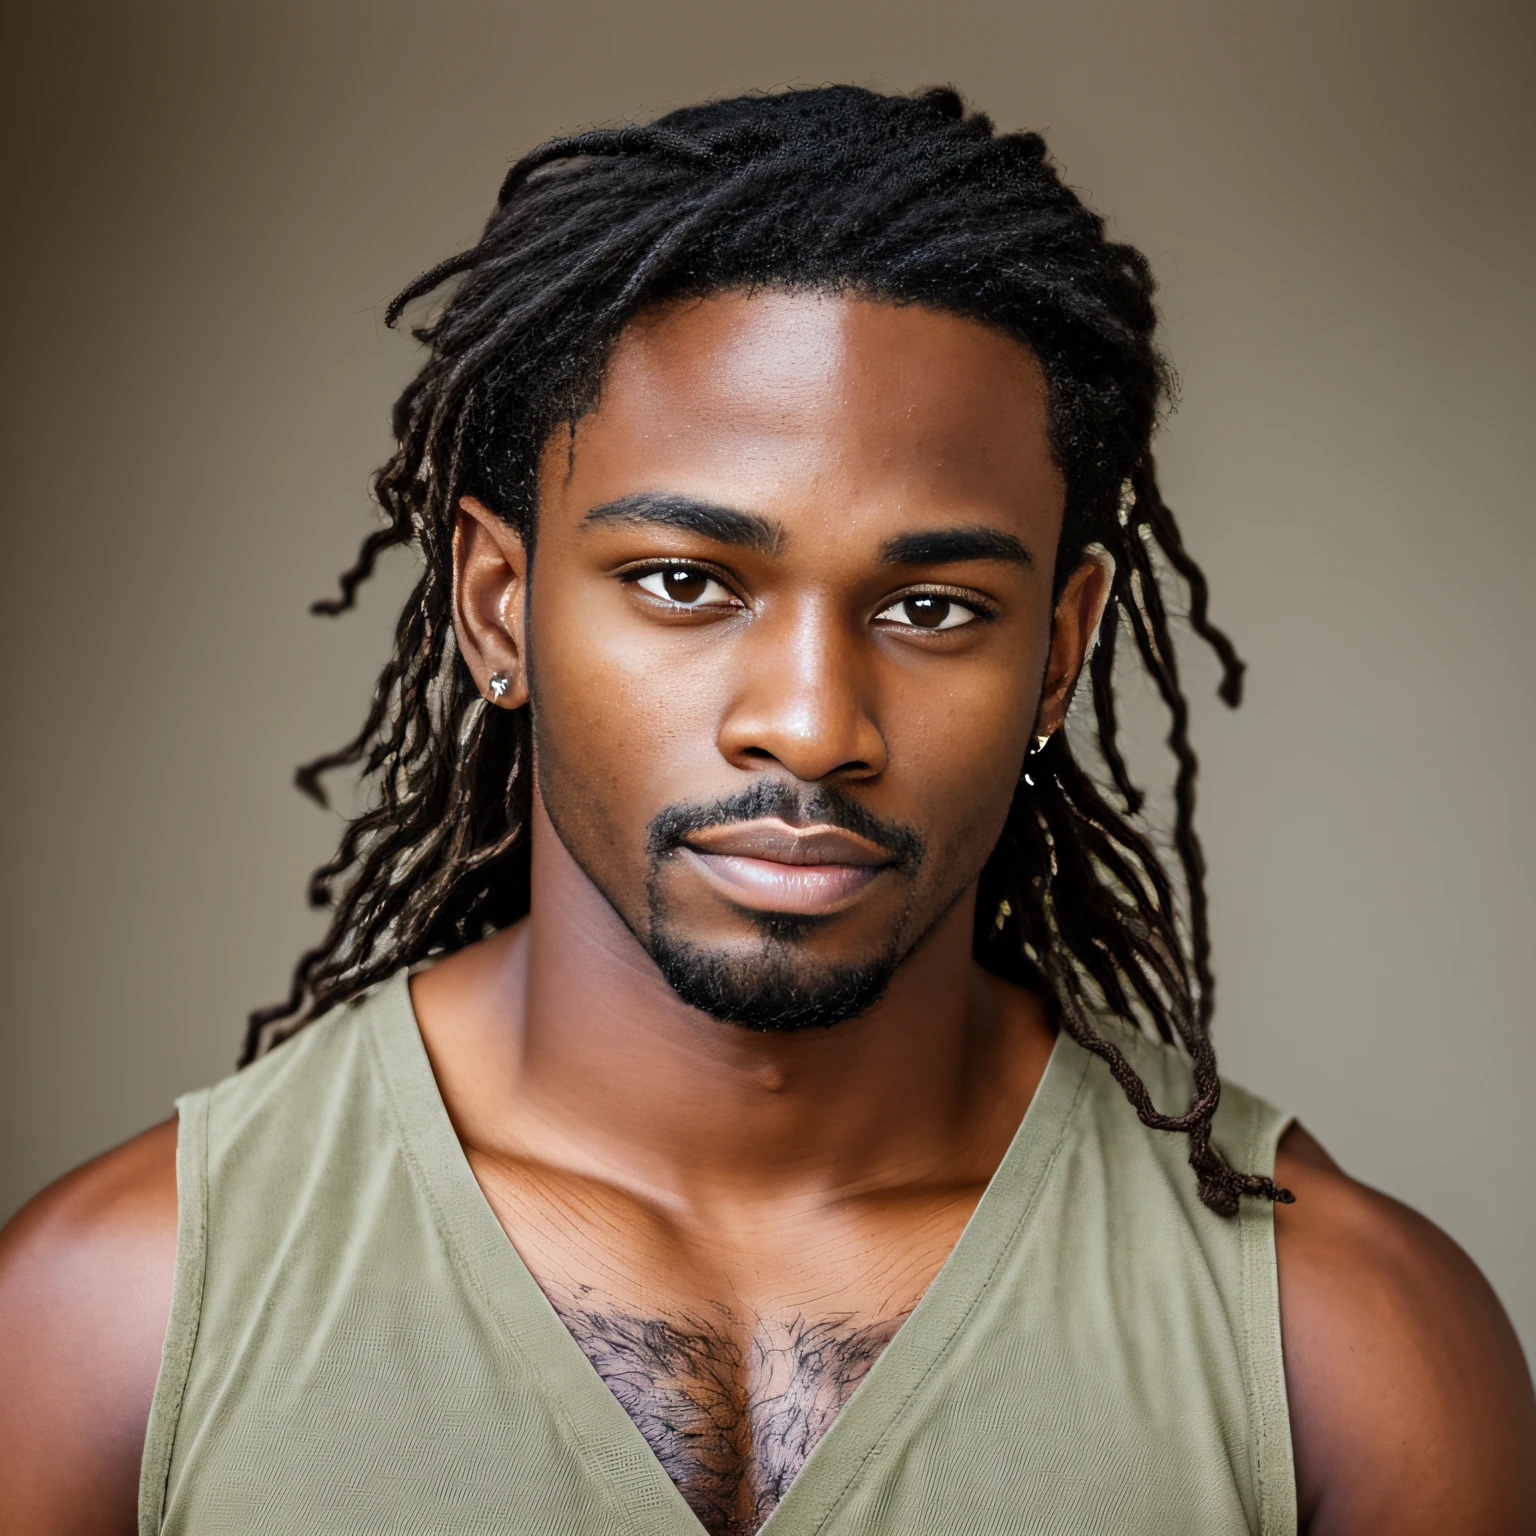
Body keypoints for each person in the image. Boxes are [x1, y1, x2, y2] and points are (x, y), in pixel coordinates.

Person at [1, 84, 1531, 1536]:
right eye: (685, 583)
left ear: (1057, 651)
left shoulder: (1342, 1345)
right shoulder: (111, 1319)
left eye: (932, 606)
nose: (811, 722)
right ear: (498, 608)